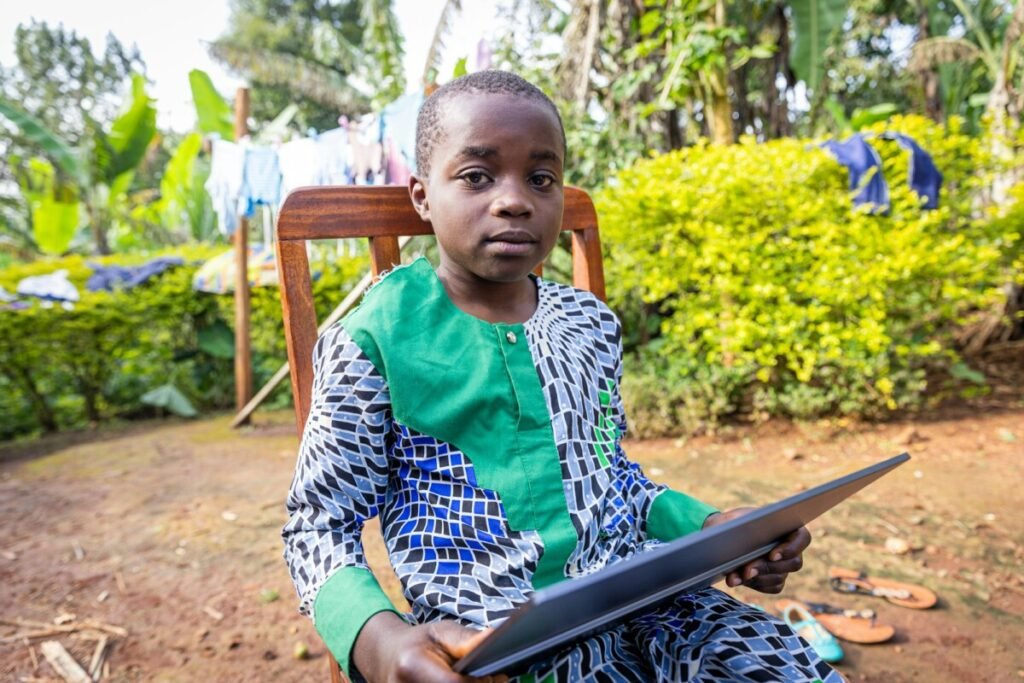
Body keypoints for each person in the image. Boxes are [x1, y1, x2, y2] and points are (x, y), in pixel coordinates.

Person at [283, 70, 842, 683]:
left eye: (541, 178)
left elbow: (613, 478)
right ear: (421, 196)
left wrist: (716, 530)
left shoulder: (589, 323)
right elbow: (317, 525)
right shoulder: (373, 338)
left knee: (773, 663)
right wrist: (381, 641)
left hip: (647, 602)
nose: (515, 199)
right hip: (495, 635)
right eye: (476, 176)